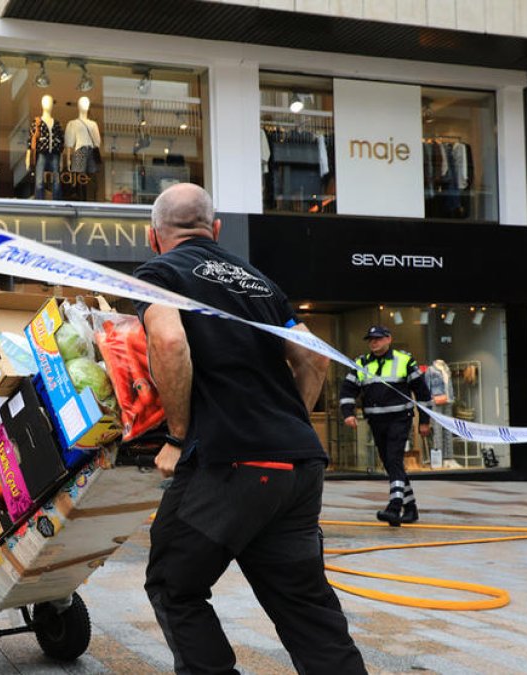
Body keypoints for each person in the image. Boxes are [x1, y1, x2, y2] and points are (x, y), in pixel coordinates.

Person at [135, 183, 364, 674]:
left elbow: (171, 341)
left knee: (175, 586)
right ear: (215, 230)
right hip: (299, 467)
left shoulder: (160, 273)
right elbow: (314, 357)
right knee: (306, 608)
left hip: (230, 464)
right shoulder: (259, 282)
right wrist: (287, 428)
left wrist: (177, 438)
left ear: (153, 237)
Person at [339, 325, 432, 525]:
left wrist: (424, 421)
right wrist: (347, 414)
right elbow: (347, 391)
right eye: (371, 339)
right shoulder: (361, 363)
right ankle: (411, 508)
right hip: (376, 421)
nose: (374, 342)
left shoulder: (405, 360)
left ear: (388, 339)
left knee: (393, 458)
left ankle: (394, 506)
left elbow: (423, 394)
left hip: (400, 418)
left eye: (378, 338)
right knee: (390, 463)